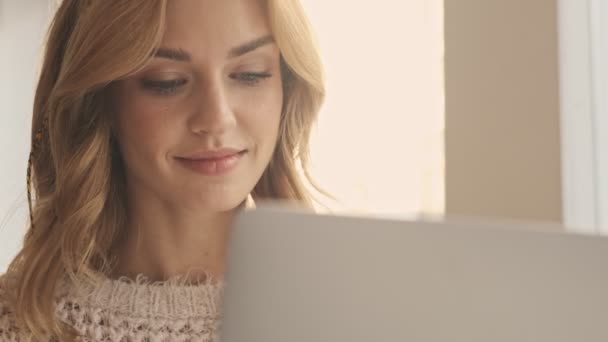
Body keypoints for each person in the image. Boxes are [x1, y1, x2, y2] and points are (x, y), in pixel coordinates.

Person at [0, 0, 325, 340]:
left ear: (287, 88)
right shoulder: (14, 324)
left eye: (250, 74)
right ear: (98, 101)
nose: (216, 119)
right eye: (167, 82)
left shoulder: (340, 313)